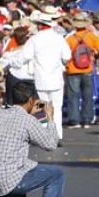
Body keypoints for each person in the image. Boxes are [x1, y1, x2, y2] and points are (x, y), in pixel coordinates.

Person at [0, 81, 67, 197]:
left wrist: (30, 114)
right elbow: (51, 144)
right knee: (57, 174)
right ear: (31, 100)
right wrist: (49, 117)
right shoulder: (27, 120)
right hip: (12, 178)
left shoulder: (1, 114)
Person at [21, 10, 72, 139]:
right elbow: (67, 56)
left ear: (39, 25)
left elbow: (25, 56)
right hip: (56, 79)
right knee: (57, 108)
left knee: (41, 107)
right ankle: (58, 135)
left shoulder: (34, 39)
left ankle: (44, 134)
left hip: (40, 80)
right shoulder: (58, 38)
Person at [65, 12, 99, 129]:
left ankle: (74, 120)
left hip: (72, 70)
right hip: (87, 69)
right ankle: (87, 120)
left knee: (73, 96)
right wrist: (93, 57)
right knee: (87, 95)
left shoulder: (70, 38)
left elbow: (65, 54)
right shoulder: (92, 36)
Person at [0, 26, 34, 105]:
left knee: (11, 104)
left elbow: (0, 65)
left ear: (14, 39)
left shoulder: (9, 54)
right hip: (31, 79)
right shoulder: (35, 51)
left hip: (15, 79)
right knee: (33, 104)